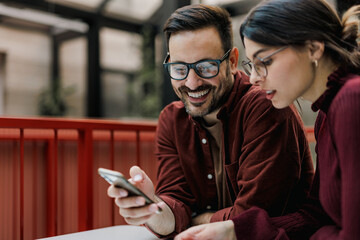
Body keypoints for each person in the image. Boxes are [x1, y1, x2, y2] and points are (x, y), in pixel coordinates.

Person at [107, 4, 315, 238]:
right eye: (179, 68)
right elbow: (175, 204)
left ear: (233, 61)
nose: (192, 83)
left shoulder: (265, 106)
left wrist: (195, 218)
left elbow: (252, 219)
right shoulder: (171, 119)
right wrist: (152, 209)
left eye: (206, 67)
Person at [175, 0, 360, 239]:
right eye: (252, 64)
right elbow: (317, 215)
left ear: (314, 48)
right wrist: (234, 230)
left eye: (265, 62)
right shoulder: (327, 112)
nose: (253, 78)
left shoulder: (351, 99)